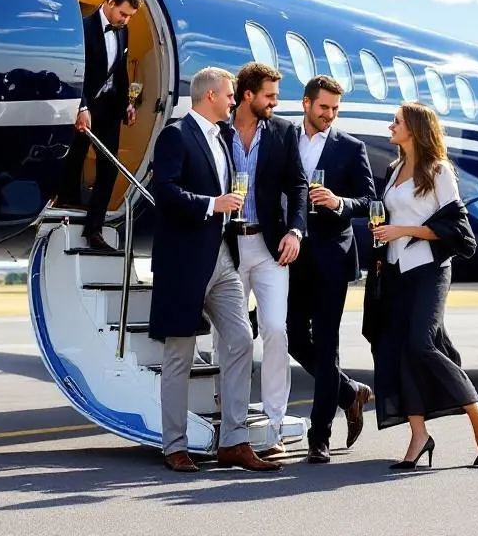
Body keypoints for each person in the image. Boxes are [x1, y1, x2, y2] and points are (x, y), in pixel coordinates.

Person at [147, 66, 282, 474]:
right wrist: (212, 204)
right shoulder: (175, 135)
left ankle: (234, 441)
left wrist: (228, 211)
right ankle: (174, 446)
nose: (232, 100)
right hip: (184, 262)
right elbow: (164, 191)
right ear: (209, 97)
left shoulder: (221, 137)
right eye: (228, 95)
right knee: (179, 357)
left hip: (222, 256)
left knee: (240, 340)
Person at [364, 102, 478, 470]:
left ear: (414, 128)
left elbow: (456, 228)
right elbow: (393, 216)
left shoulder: (439, 170)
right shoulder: (395, 169)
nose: (390, 126)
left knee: (421, 345)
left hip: (429, 269)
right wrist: (383, 232)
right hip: (395, 271)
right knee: (396, 351)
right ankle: (418, 436)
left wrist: (403, 230)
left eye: (396, 121)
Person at [284, 75, 376, 463]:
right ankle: (348, 392)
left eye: (335, 109)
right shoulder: (284, 137)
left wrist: (339, 203)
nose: (330, 115)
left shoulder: (350, 148)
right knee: (292, 337)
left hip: (333, 256)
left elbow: (370, 200)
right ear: (307, 103)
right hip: (292, 253)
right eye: (324, 108)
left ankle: (319, 435)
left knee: (326, 344)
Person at [223, 61, 306, 455]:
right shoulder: (219, 131)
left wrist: (296, 230)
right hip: (227, 247)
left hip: (270, 246)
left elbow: (299, 186)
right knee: (231, 337)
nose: (276, 103)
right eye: (270, 96)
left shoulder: (284, 132)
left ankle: (274, 425)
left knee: (275, 329)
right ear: (247, 95)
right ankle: (231, 424)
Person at [58, 0, 141, 251]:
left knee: (109, 165)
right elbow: (73, 70)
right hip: (85, 106)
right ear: (110, 2)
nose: (125, 20)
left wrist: (126, 104)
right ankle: (64, 207)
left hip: (108, 108)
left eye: (129, 16)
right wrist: (81, 107)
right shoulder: (83, 28)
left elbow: (120, 72)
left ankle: (93, 229)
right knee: (74, 159)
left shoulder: (122, 31)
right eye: (123, 14)